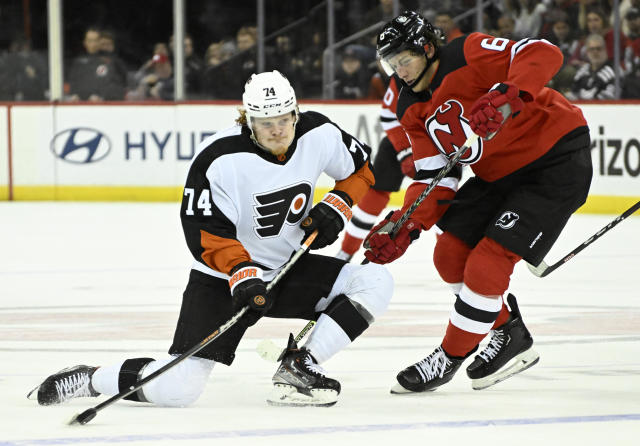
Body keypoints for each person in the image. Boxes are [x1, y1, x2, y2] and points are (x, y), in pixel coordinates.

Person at [27, 70, 393, 408]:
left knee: (374, 281)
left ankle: (300, 365)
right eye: (267, 123)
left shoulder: (319, 133)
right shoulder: (219, 158)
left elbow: (361, 169)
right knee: (178, 391)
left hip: (288, 267)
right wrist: (242, 272)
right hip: (223, 280)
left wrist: (338, 203)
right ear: (248, 119)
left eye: (284, 120)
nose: (278, 131)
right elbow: (205, 230)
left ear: (296, 113)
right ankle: (91, 379)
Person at [366, 11, 592, 393]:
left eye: (404, 59)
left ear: (427, 47)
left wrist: (509, 92)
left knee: (488, 263)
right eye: (392, 63)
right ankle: (510, 334)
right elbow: (434, 176)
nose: (399, 71)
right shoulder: (410, 107)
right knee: (449, 254)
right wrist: (406, 224)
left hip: (555, 160)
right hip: (497, 174)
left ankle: (449, 357)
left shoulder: (466, 52)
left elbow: (543, 52)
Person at [336, 73, 416, 261]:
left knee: (444, 199)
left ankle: (453, 258)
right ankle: (345, 252)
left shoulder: (447, 71)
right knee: (375, 193)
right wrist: (405, 151)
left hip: (439, 140)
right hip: (404, 136)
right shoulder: (400, 77)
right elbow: (388, 115)